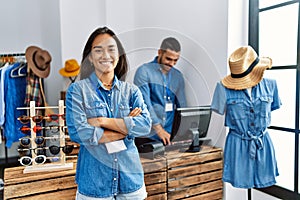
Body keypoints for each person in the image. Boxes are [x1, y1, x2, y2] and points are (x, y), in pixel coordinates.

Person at [66, 27, 152, 200]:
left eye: (111, 49)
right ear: (90, 57)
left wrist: (101, 121)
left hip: (131, 183)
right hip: (94, 185)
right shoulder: (77, 91)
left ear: (118, 54)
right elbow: (79, 133)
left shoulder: (132, 91)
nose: (106, 55)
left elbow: (145, 126)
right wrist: (126, 128)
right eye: (98, 50)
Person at [211, 46, 282, 189]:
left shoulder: (271, 85)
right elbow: (218, 109)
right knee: (241, 184)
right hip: (237, 144)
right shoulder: (222, 88)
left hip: (262, 144)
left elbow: (273, 106)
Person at [133, 37, 187, 146]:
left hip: (169, 136)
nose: (172, 63)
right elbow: (145, 104)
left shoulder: (178, 76)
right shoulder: (144, 72)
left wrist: (185, 132)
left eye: (175, 60)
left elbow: (182, 107)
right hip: (148, 135)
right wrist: (159, 130)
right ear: (160, 53)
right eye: (168, 59)